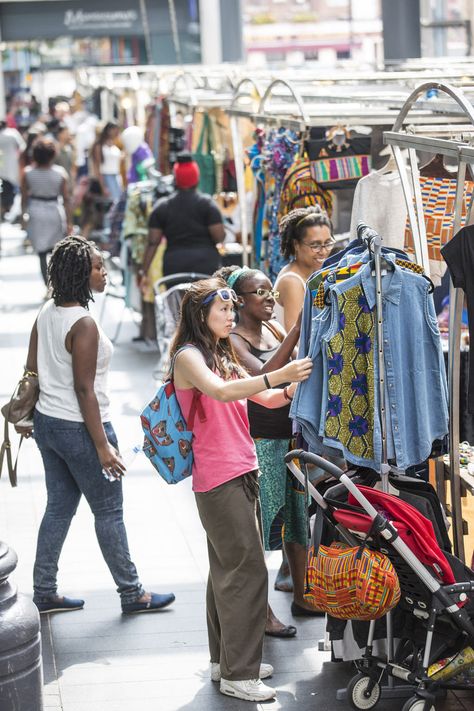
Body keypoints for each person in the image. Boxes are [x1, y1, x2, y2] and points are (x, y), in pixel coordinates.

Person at [171, 277, 312, 702]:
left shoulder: (219, 352)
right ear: (201, 315)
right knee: (246, 571)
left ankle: (226, 662)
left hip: (242, 469)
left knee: (226, 571)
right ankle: (240, 672)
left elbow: (262, 400)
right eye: (224, 311)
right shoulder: (189, 356)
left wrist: (292, 386)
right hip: (218, 478)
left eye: (233, 310)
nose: (232, 317)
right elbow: (222, 391)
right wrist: (277, 376)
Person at [21, 236, 175, 615]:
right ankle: (132, 592)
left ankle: (44, 589)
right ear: (79, 273)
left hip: (48, 423)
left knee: (58, 508)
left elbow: (33, 370)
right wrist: (103, 447)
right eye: (97, 266)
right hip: (80, 428)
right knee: (108, 511)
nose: (104, 272)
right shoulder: (83, 323)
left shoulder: (46, 312)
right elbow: (84, 389)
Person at [219, 265, 322, 623]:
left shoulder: (272, 328)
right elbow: (261, 380)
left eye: (270, 292)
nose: (269, 299)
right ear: (239, 300)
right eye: (259, 293)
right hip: (259, 442)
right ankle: (260, 612)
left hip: (289, 436)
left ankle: (303, 594)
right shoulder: (232, 340)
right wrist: (294, 333)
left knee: (295, 520)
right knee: (259, 528)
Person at [138, 152, 224, 289]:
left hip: (175, 267)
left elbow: (153, 242)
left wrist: (143, 271)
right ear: (196, 178)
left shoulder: (162, 207)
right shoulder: (207, 204)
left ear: (176, 179)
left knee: (177, 306)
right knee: (207, 307)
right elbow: (219, 237)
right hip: (205, 266)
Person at [20, 138, 72, 285]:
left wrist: (23, 217)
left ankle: (47, 285)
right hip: (54, 211)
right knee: (57, 251)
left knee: (42, 253)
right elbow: (66, 199)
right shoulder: (60, 173)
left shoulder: (28, 173)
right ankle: (58, 283)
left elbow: (24, 198)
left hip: (36, 212)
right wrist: (69, 221)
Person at [274, 205, 335, 332]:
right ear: (296, 244)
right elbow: (296, 341)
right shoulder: (292, 282)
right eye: (315, 245)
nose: (323, 251)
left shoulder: (311, 273)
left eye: (328, 243)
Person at [90, 122, 123, 201]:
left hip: (116, 175)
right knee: (113, 201)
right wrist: (103, 186)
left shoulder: (115, 144)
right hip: (106, 176)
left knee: (119, 200)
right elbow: (97, 167)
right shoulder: (99, 146)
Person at [0, 120, 25, 218]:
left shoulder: (11, 134)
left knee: (5, 188)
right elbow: (22, 147)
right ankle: (6, 207)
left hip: (4, 166)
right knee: (9, 188)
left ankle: (4, 207)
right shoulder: (13, 133)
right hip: (11, 165)